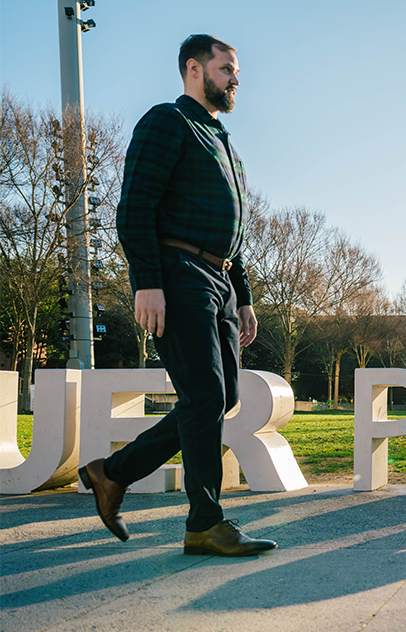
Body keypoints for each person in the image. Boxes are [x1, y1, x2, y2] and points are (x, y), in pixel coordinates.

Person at [78, 34, 276, 557]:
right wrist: (148, 280)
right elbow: (135, 206)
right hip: (178, 270)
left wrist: (245, 296)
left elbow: (234, 229)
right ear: (194, 68)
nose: (236, 78)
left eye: (237, 70)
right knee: (206, 396)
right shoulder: (168, 121)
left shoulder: (223, 141)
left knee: (221, 397)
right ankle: (205, 523)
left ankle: (112, 473)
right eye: (227, 67)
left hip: (220, 280)